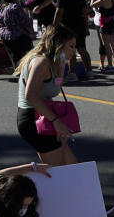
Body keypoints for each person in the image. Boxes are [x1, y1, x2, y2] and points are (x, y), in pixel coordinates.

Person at [14, 24, 79, 166]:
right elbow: (30, 95)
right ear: (59, 44)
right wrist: (57, 122)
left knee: (72, 164)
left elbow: (56, 87)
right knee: (60, 170)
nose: (74, 51)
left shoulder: (52, 62)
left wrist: (62, 65)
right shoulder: (41, 62)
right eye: (71, 46)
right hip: (33, 119)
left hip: (44, 116)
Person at [52, 0, 91, 80]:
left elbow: (58, 13)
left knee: (70, 50)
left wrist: (54, 26)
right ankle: (90, 71)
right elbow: (85, 13)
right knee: (82, 49)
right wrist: (86, 27)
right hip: (80, 26)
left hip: (68, 28)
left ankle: (72, 73)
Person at [0, 0, 35, 75]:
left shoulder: (0, 8)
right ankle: (31, 71)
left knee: (15, 54)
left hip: (5, 36)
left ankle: (18, 71)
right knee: (29, 53)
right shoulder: (15, 7)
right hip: (18, 34)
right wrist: (32, 33)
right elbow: (25, 22)